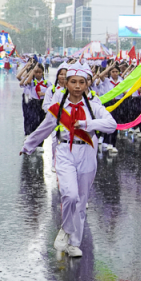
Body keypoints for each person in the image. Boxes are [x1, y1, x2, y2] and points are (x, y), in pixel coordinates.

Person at [19, 62, 118, 257]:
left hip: (88, 152)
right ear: (67, 83)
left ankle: (74, 242)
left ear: (87, 84)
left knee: (81, 202)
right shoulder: (58, 107)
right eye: (73, 82)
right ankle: (65, 229)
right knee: (70, 195)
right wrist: (28, 145)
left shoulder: (94, 105)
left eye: (82, 82)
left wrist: (87, 124)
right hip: (65, 150)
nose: (78, 86)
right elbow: (44, 128)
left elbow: (111, 124)